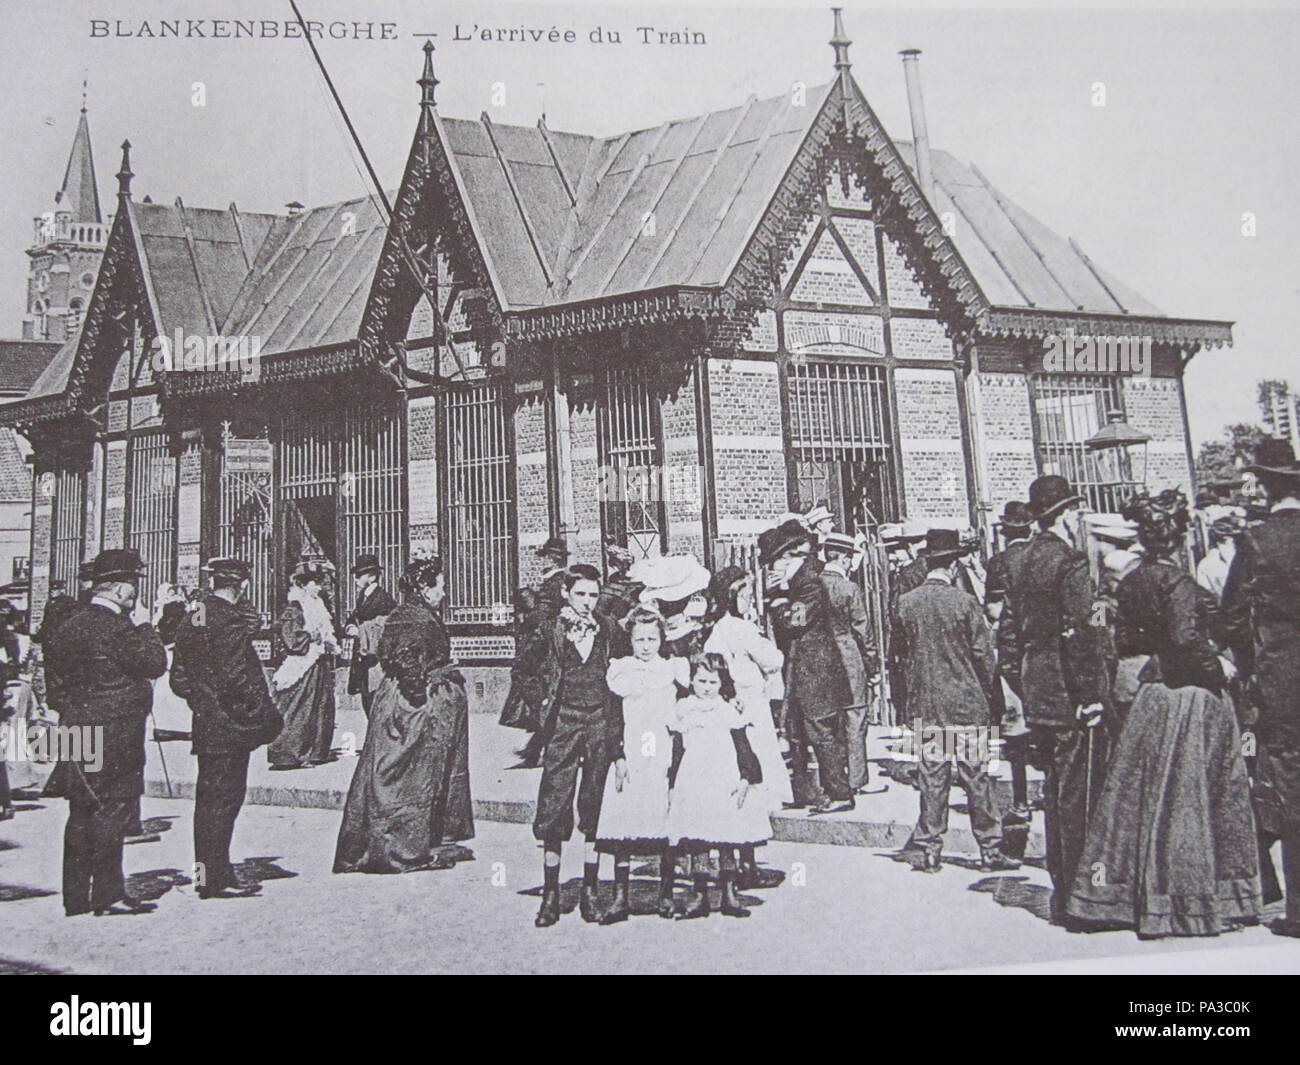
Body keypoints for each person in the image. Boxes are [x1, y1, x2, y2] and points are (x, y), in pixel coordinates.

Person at [1068, 490, 1260, 936]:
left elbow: (1121, 636)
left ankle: (1129, 897)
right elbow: (1184, 641)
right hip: (1186, 694)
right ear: (1179, 537)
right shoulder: (1175, 582)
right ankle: (1186, 904)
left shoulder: (1133, 579)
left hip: (1151, 696)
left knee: (1146, 797)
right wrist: (1223, 667)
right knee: (1186, 800)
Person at [997, 475, 1108, 925]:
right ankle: (1082, 902)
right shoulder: (1070, 562)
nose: (1079, 519)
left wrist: (1023, 681)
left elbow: (1007, 633)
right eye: (1076, 511)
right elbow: (1086, 630)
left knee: (1054, 794)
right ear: (1063, 514)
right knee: (1079, 794)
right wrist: (1090, 693)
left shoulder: (1017, 562)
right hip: (1068, 688)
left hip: (1037, 685)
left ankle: (1061, 893)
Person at [42, 549, 167, 916]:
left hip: (76, 728)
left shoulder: (68, 625)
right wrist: (146, 626)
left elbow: (56, 686)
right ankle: (109, 895)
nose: (135, 594)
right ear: (117, 589)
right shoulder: (119, 628)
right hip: (116, 734)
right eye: (132, 586)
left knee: (80, 811)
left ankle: (76, 897)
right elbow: (155, 664)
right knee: (113, 809)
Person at [334, 556, 474, 874]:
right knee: (411, 774)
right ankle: (403, 849)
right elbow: (406, 657)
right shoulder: (415, 617)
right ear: (424, 588)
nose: (443, 592)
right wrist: (420, 699)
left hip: (403, 697)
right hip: (413, 703)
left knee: (409, 773)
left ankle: (416, 841)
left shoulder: (410, 612)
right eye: (439, 585)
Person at [894, 529, 1020, 873]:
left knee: (932, 779)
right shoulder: (965, 603)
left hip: (929, 707)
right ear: (952, 566)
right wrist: (995, 703)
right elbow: (984, 658)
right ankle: (990, 850)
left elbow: (900, 657)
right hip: (966, 705)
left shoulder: (906, 604)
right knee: (976, 778)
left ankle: (931, 848)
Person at [1223, 438, 1300, 938]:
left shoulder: (1255, 542)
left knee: (1291, 788)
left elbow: (1230, 618)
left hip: (1281, 681)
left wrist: (1251, 665)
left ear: (1267, 487)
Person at [171, 558, 282, 899]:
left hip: (207, 724)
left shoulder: (196, 615)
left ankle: (209, 874)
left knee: (207, 804)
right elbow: (237, 678)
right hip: (231, 727)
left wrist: (204, 702)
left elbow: (179, 678)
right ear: (243, 585)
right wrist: (259, 713)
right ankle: (214, 879)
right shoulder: (229, 619)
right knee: (225, 802)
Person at [532, 564, 619, 927]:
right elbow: (524, 671)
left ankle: (589, 891)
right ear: (566, 593)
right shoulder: (551, 629)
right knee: (555, 800)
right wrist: (541, 705)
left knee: (594, 801)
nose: (587, 602)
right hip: (564, 721)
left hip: (599, 719)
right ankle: (551, 895)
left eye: (593, 595)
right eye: (580, 593)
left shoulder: (609, 629)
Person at [594, 607, 688, 922]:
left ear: (662, 639)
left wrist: (676, 765)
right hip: (631, 755)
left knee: (662, 822)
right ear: (630, 640)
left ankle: (665, 895)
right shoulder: (621, 671)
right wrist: (617, 757)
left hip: (660, 753)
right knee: (624, 823)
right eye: (639, 639)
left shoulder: (673, 669)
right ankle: (621, 897)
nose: (646, 646)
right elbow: (612, 719)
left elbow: (687, 711)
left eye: (652, 639)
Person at [666, 653, 769, 918]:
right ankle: (699, 894)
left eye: (713, 682)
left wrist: (746, 777)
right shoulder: (685, 710)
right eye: (701, 681)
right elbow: (677, 750)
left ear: (722, 683)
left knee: (726, 838)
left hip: (724, 778)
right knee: (698, 838)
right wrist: (673, 783)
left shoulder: (727, 712)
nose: (707, 687)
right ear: (691, 681)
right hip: (694, 780)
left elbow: (743, 747)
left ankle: (730, 893)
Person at [765, 519, 857, 816]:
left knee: (821, 731)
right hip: (802, 670)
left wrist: (777, 601)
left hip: (816, 672)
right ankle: (806, 792)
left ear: (790, 556)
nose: (773, 567)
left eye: (776, 560)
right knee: (798, 732)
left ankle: (840, 793)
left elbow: (797, 621)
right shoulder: (797, 582)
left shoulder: (809, 583)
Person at [703, 566, 787, 888]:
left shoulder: (718, 630)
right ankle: (748, 865)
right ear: (731, 596)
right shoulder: (741, 629)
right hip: (750, 711)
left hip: (739, 708)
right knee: (753, 783)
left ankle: (743, 861)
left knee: (744, 783)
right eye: (744, 592)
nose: (749, 597)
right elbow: (773, 660)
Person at [983, 501, 1034, 825]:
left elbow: (993, 612)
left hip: (1013, 655)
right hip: (1045, 653)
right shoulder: (1044, 558)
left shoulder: (998, 563)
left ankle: (1021, 800)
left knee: (1016, 729)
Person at [821, 532, 882, 796]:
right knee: (855, 719)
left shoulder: (812, 586)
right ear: (844, 559)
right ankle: (857, 779)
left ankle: (834, 779)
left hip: (822, 660)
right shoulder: (849, 589)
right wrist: (873, 667)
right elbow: (863, 631)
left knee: (828, 722)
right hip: (849, 660)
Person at [507, 536, 570, 769]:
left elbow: (542, 617)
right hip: (553, 645)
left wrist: (529, 617)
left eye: (545, 557)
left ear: (553, 559)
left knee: (544, 697)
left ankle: (538, 748)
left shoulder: (552, 583)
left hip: (545, 649)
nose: (541, 562)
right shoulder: (562, 581)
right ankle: (535, 747)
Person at [344, 554, 398, 718]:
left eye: (359, 575)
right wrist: (351, 626)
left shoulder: (383, 599)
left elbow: (384, 627)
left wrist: (359, 630)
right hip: (363, 658)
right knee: (368, 700)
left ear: (372, 576)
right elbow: (353, 618)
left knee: (378, 701)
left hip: (376, 659)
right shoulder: (362, 597)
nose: (356, 579)